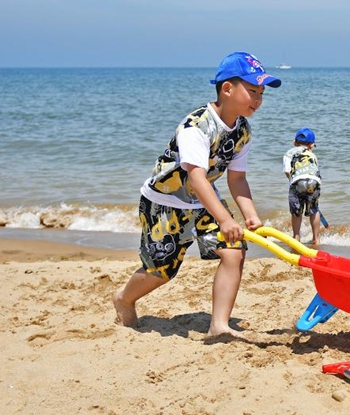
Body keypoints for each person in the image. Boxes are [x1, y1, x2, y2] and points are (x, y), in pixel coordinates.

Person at [113, 51, 281, 337]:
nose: (258, 99)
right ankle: (124, 298)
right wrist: (225, 219)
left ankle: (219, 326)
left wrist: (250, 215)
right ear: (227, 88)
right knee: (161, 271)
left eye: (262, 93)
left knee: (234, 251)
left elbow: (237, 178)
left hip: (202, 201)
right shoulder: (196, 126)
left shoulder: (242, 131)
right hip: (164, 203)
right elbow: (196, 176)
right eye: (253, 91)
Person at [283, 127, 322, 246]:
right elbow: (316, 171)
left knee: (296, 211)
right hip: (314, 182)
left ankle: (296, 236)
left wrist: (292, 180)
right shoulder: (312, 155)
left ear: (294, 142)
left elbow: (287, 171)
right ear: (312, 145)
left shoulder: (289, 153)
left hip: (298, 182)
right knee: (314, 210)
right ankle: (316, 238)